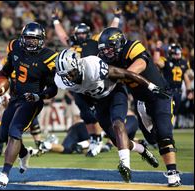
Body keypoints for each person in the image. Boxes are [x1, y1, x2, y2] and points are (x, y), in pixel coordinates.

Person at [54, 49, 166, 182]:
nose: (69, 77)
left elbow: (125, 74)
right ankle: (143, 150)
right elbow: (79, 93)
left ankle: (125, 165)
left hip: (114, 94)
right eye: (65, 75)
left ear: (77, 64)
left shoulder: (92, 66)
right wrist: (90, 106)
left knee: (118, 124)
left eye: (70, 72)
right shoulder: (61, 81)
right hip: (99, 103)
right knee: (118, 141)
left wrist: (151, 86)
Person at [98, 27, 181, 187]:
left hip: (159, 95)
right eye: (104, 50)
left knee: (164, 134)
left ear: (119, 43)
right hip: (141, 102)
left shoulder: (132, 46)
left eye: (109, 48)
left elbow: (140, 65)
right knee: (152, 139)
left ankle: (172, 173)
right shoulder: (107, 60)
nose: (107, 53)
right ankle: (141, 146)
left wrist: (118, 73)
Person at [0, 22, 58, 188]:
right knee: (3, 135)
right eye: (27, 38)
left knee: (14, 131)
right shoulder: (16, 47)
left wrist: (39, 95)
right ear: (22, 38)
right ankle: (24, 153)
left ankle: (4, 174)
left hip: (32, 100)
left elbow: (53, 88)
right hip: (15, 97)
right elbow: (5, 71)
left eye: (34, 39)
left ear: (41, 40)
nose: (30, 42)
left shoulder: (48, 57)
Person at [51, 8, 123, 157]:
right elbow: (62, 35)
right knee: (86, 114)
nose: (81, 36)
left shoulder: (95, 41)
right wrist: (55, 20)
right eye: (79, 33)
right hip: (78, 84)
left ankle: (101, 139)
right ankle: (94, 141)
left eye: (83, 33)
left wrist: (116, 17)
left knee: (97, 113)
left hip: (94, 79)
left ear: (88, 33)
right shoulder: (72, 44)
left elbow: (110, 32)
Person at [39, 114, 139, 155]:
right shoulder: (119, 121)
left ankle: (47, 145)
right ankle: (82, 145)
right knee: (95, 141)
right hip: (88, 128)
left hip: (77, 127)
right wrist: (107, 146)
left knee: (66, 148)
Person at [153, 42, 193, 128]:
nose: (177, 55)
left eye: (178, 53)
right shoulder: (166, 61)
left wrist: (189, 90)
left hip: (178, 92)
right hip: (167, 90)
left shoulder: (184, 62)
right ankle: (165, 128)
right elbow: (156, 61)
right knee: (166, 111)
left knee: (174, 112)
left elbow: (186, 77)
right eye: (175, 53)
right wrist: (157, 49)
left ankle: (170, 129)